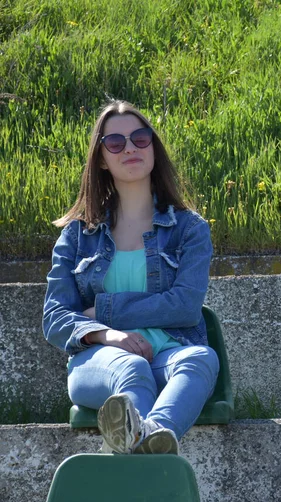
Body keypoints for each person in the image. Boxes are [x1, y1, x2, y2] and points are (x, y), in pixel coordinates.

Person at [43, 100, 219, 455]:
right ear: (102, 159)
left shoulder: (189, 229)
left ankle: (152, 434)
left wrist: (102, 310)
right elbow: (55, 318)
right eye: (115, 143)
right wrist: (109, 334)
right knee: (132, 366)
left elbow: (185, 308)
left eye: (140, 138)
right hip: (100, 362)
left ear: (153, 147)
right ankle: (144, 439)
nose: (130, 148)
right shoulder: (78, 234)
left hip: (170, 351)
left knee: (201, 359)